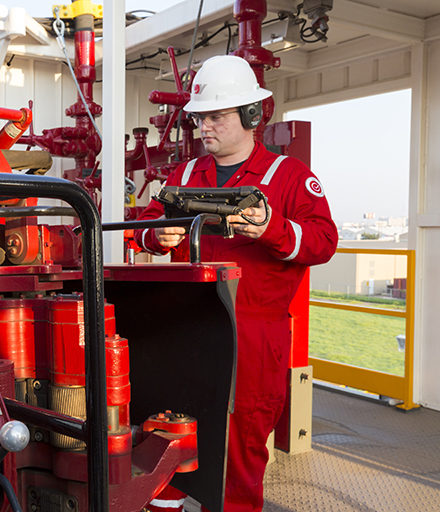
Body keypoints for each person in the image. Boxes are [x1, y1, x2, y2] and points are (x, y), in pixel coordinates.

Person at [135, 55, 338, 512]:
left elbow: (324, 242)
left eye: (215, 116)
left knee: (241, 446)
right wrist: (157, 234)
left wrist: (272, 229)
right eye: (200, 117)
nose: (204, 126)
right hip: (183, 331)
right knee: (168, 430)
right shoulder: (186, 175)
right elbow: (145, 224)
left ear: (250, 116)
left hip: (252, 336)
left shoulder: (289, 177)